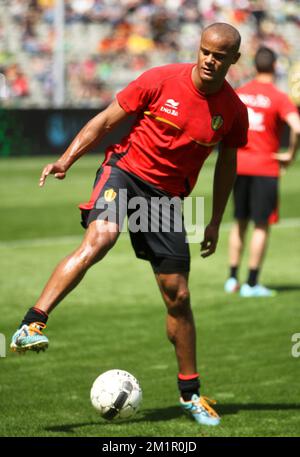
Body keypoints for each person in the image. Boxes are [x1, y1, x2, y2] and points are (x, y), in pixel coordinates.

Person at [11, 22, 248, 426]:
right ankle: (31, 324)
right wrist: (67, 159)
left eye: (220, 55)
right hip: (125, 172)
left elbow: (228, 164)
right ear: (199, 49)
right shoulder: (159, 80)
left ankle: (190, 394)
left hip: (166, 199)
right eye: (206, 51)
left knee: (178, 295)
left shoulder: (231, 111)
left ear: (233, 60)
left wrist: (214, 221)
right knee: (100, 238)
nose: (210, 59)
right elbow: (105, 121)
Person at [225, 46, 300, 297]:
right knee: (260, 226)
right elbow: (297, 128)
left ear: (254, 66)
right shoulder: (279, 97)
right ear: (275, 66)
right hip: (265, 167)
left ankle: (232, 279)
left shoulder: (240, 93)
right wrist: (290, 154)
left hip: (239, 165)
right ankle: (252, 283)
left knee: (239, 223)